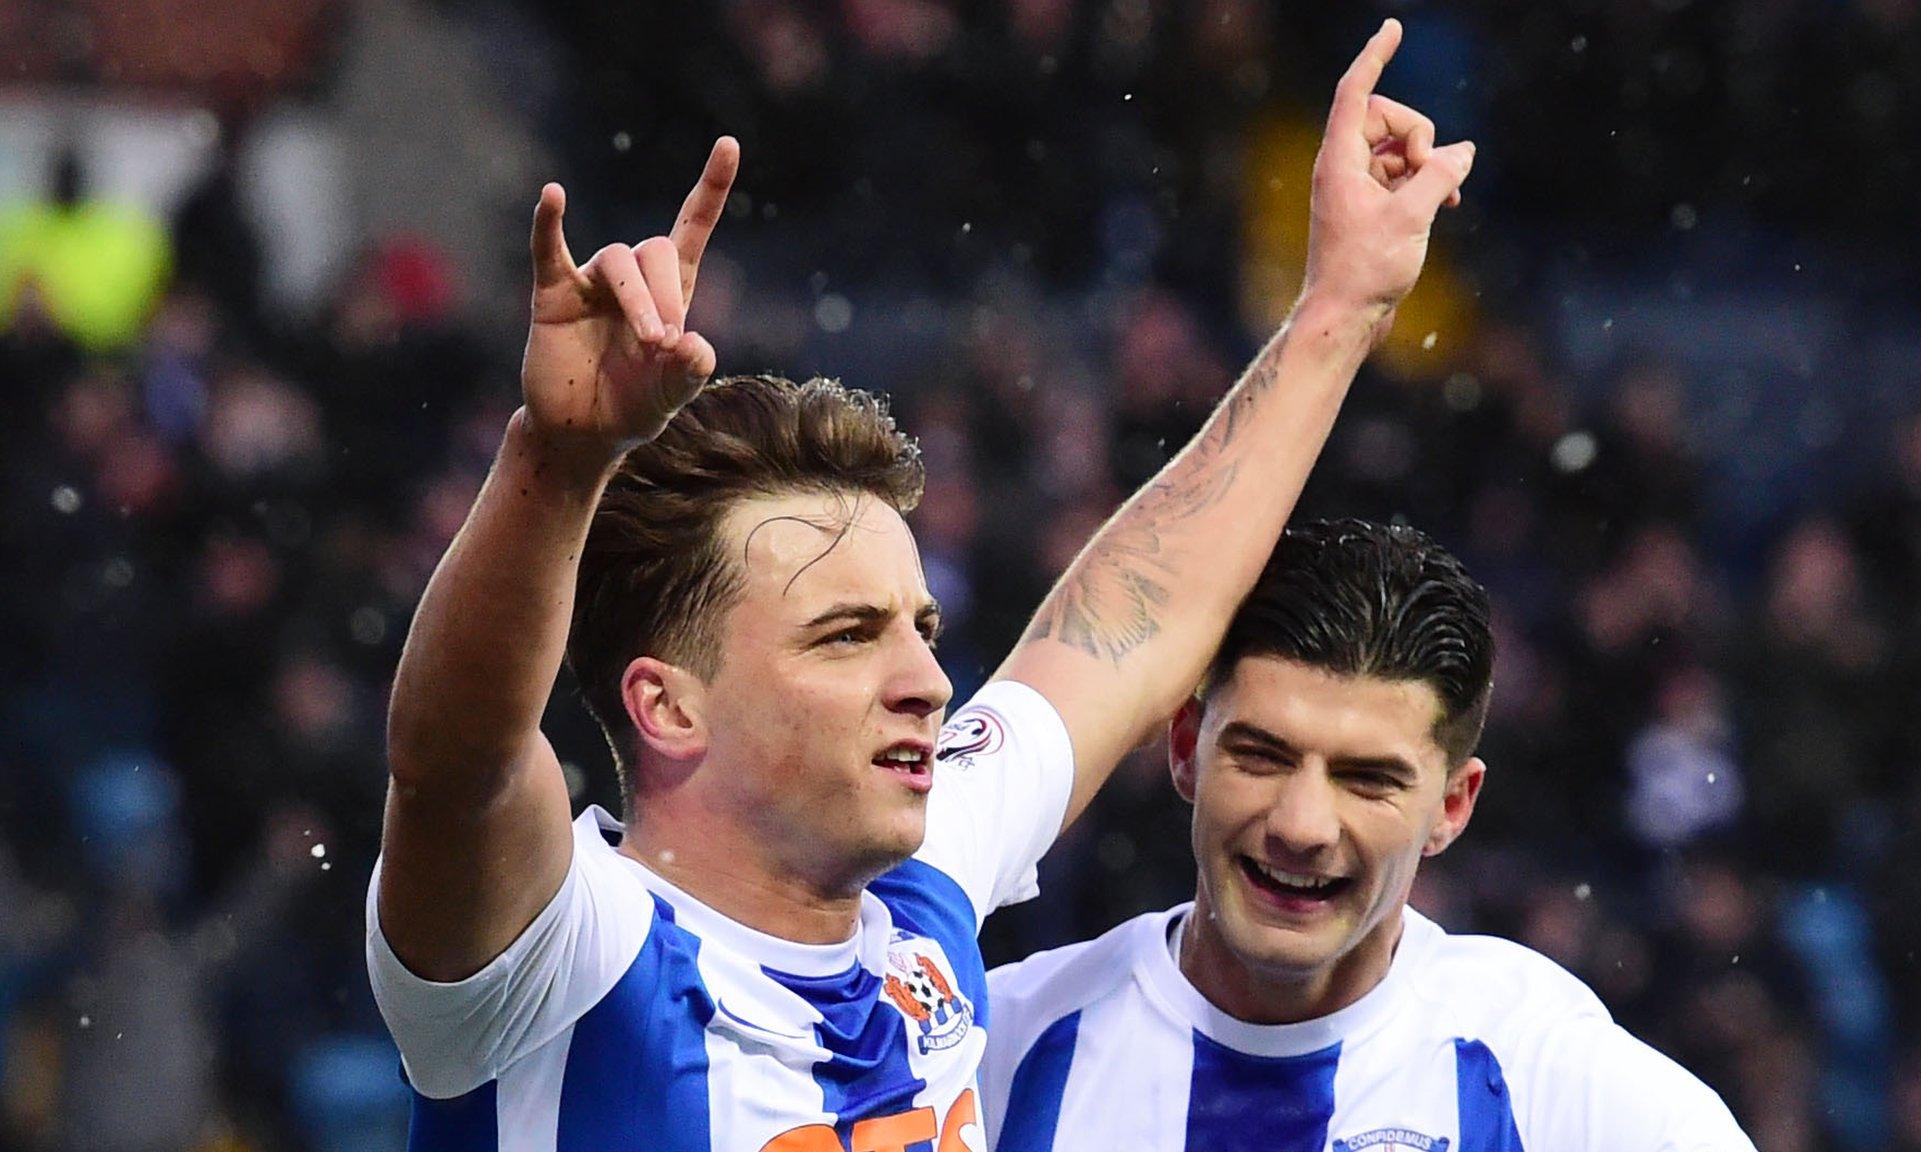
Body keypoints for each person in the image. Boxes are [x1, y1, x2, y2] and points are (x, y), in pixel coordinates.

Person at [366, 19, 1475, 1150]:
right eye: (845, 636)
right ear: (667, 705)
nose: (927, 684)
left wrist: (1339, 305)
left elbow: (1127, 629)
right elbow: (455, 761)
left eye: (919, 625)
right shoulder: (562, 958)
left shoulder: (916, 897)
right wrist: (555, 468)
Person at [979, 520, 1758, 1151]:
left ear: (1452, 807)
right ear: (1186, 748)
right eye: (1261, 755)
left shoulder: (1541, 1076)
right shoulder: (1002, 1049)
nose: (1302, 825)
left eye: (1367, 780)